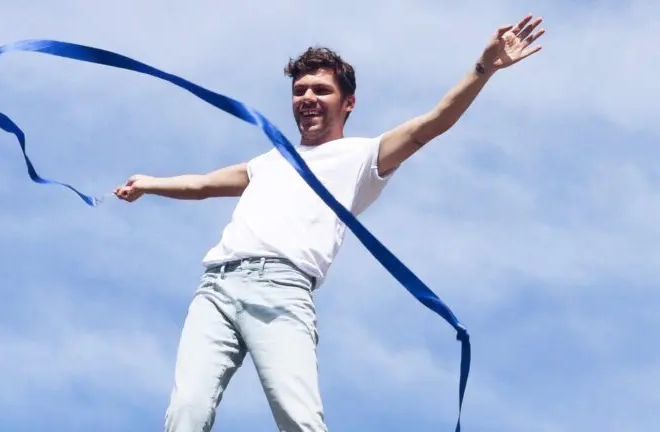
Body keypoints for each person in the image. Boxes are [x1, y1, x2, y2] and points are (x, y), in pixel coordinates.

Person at [115, 13, 545, 432]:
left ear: (348, 102)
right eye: (299, 90)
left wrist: (482, 69)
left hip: (281, 290)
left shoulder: (361, 157)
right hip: (215, 287)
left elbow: (430, 125)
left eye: (321, 90)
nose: (307, 97)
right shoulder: (271, 161)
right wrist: (150, 183)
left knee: (298, 417)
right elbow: (204, 184)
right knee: (185, 412)